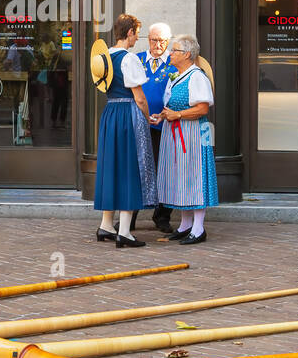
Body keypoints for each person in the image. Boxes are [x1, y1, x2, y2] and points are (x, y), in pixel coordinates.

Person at [92, 13, 157, 248]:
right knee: (131, 168)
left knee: (111, 168)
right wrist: (147, 117)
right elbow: (139, 98)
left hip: (110, 114)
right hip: (128, 115)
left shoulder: (104, 57)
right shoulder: (129, 59)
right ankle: (125, 231)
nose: (137, 38)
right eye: (137, 33)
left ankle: (106, 225)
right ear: (129, 32)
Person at [151, 34, 218, 245]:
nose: (170, 53)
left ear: (187, 54)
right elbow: (174, 106)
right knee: (181, 178)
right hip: (175, 133)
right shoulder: (177, 75)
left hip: (192, 134)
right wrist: (163, 115)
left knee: (194, 177)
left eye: (175, 50)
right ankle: (185, 225)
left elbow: (202, 108)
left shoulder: (197, 76)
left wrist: (177, 115)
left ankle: (198, 229)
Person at [136, 22, 176, 234]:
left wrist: (163, 115)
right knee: (137, 169)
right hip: (139, 123)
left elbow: (178, 93)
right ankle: (129, 217)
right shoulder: (137, 60)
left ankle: (162, 217)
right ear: (147, 40)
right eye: (154, 40)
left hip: (165, 124)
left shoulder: (175, 61)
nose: (157, 44)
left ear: (168, 41)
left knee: (165, 170)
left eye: (162, 41)